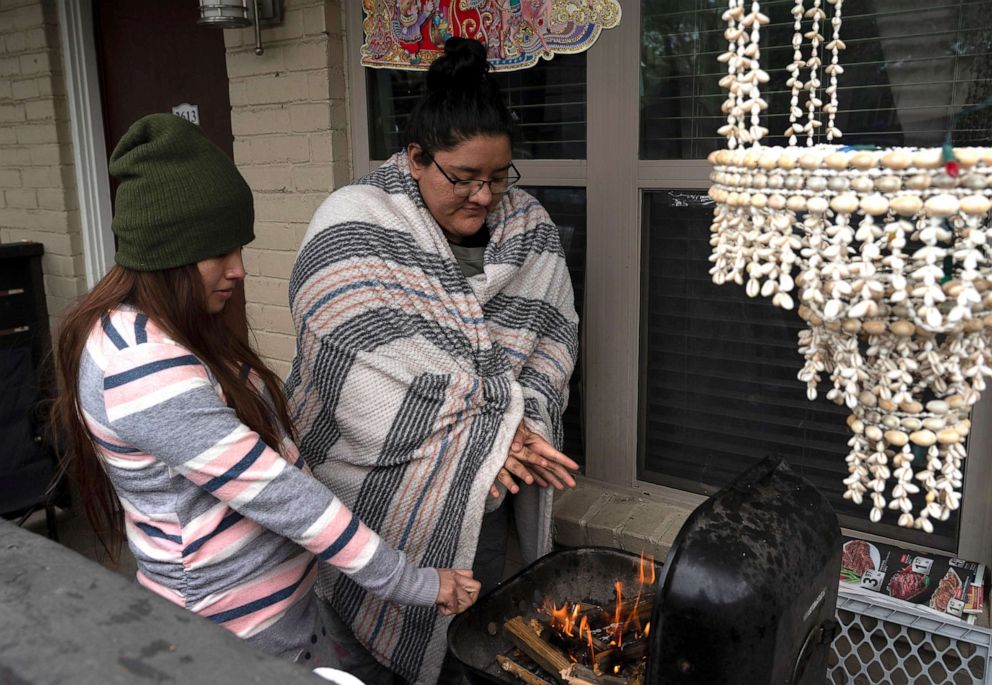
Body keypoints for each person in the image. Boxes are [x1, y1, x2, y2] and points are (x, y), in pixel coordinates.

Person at [52, 113, 480, 669]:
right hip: (231, 637)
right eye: (220, 253)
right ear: (169, 254)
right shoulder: (141, 362)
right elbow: (278, 492)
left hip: (280, 620)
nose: (239, 270)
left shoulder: (167, 330)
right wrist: (416, 583)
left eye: (240, 249)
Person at [285, 37, 580, 684]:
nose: (483, 197)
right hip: (371, 497)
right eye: (464, 177)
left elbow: (549, 347)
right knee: (368, 664)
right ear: (417, 158)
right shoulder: (355, 218)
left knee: (473, 646)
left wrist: (516, 425)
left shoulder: (529, 228)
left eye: (499, 177)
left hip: (485, 501)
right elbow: (348, 348)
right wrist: (488, 431)